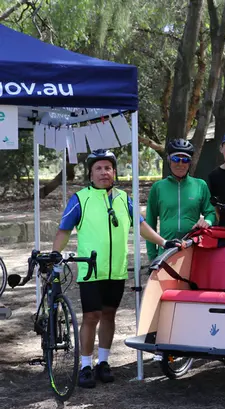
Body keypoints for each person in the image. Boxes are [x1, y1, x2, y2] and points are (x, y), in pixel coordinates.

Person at [52, 149, 182, 389]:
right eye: (98, 168)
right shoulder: (80, 198)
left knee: (109, 315)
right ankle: (85, 366)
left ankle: (103, 362)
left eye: (108, 168)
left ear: (114, 172)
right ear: (90, 174)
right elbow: (64, 229)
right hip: (91, 270)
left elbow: (142, 226)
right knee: (92, 316)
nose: (104, 172)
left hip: (116, 271)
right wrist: (55, 254)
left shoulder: (124, 198)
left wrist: (163, 242)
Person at [145, 139, 215, 261]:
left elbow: (211, 212)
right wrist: (152, 256)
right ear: (169, 160)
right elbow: (150, 222)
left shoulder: (200, 185)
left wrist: (208, 221)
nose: (180, 164)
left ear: (190, 163)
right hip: (166, 250)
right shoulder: (158, 187)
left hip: (193, 248)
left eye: (185, 160)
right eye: (176, 159)